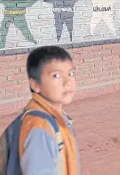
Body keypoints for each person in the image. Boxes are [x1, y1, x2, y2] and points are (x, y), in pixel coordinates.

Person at [19, 46, 80, 174]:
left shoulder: (57, 115)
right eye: (56, 75)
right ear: (35, 84)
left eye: (71, 73)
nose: (67, 82)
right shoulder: (40, 129)